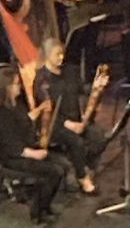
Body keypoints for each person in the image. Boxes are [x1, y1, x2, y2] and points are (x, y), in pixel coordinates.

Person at [0, 66, 64, 223]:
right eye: (16, 84)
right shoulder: (1, 113)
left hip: (24, 148)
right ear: (6, 87)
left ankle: (44, 206)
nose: (19, 87)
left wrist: (41, 109)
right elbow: (12, 146)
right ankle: (38, 211)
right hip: (13, 157)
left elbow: (25, 120)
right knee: (54, 171)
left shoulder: (16, 104)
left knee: (62, 166)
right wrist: (34, 153)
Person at [35, 38, 108, 195]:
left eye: (62, 54)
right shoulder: (42, 80)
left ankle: (87, 165)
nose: (61, 58)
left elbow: (83, 89)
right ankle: (83, 178)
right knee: (76, 141)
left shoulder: (71, 71)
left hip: (76, 119)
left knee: (99, 136)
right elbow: (46, 111)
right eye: (57, 55)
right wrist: (67, 124)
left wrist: (96, 86)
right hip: (55, 124)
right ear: (47, 55)